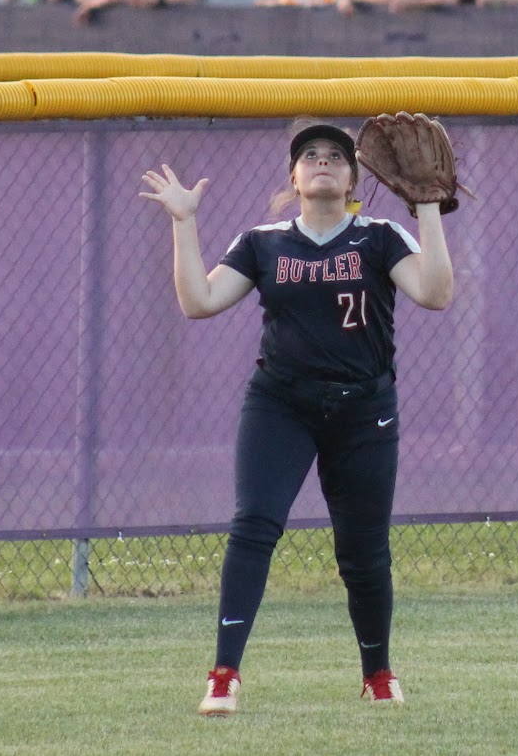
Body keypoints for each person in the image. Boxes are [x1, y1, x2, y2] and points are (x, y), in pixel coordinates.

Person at [137, 120, 454, 715]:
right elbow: (197, 303)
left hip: (363, 411)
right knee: (254, 525)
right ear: (294, 177)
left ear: (355, 177)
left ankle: (378, 673)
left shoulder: (382, 236)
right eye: (310, 155)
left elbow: (436, 294)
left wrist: (430, 208)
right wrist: (185, 224)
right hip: (281, 404)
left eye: (336, 155)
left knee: (363, 553)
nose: (323, 162)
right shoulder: (264, 242)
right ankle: (224, 674)